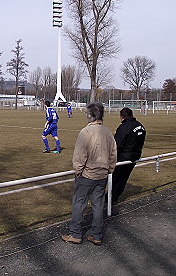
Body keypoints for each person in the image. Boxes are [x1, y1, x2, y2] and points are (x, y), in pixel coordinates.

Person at [62, 103, 117, 246]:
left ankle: (75, 234)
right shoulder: (108, 132)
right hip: (102, 175)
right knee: (98, 205)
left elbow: (80, 155)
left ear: (91, 115)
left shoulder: (85, 132)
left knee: (78, 204)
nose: (86, 115)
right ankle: (97, 235)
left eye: (87, 113)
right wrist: (109, 169)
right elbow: (113, 154)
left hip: (87, 175)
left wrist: (78, 171)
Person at [111, 107, 146, 205]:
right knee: (123, 178)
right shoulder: (140, 126)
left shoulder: (124, 127)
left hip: (124, 157)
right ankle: (114, 197)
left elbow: (118, 144)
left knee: (116, 178)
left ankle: (111, 198)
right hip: (135, 156)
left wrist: (113, 157)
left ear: (122, 116)